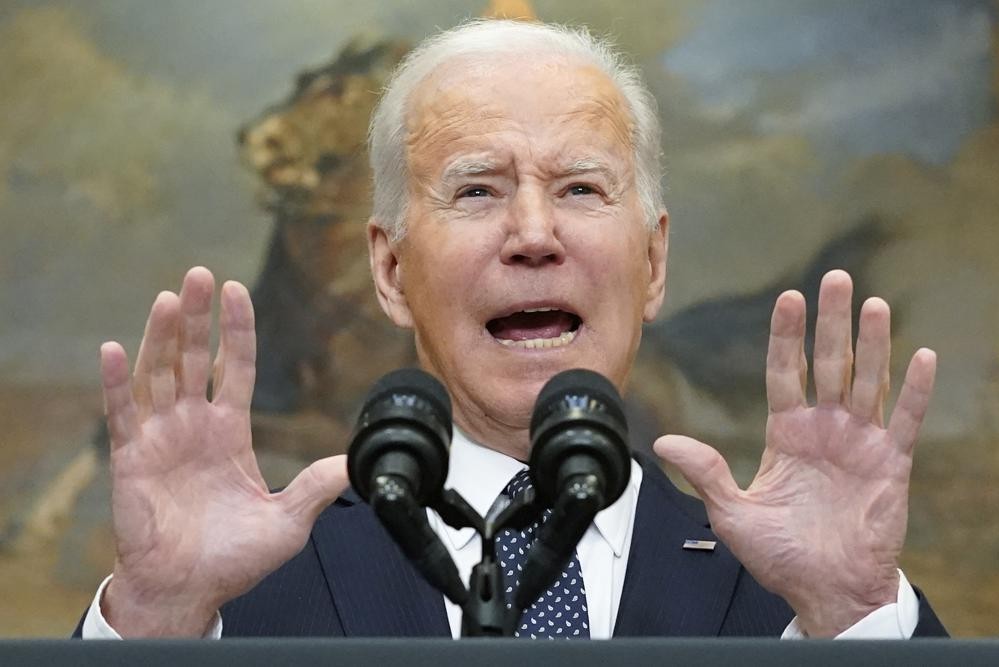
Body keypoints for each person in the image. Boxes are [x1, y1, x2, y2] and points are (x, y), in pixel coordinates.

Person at [79, 19, 945, 639]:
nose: (534, 235)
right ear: (390, 270)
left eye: (579, 188)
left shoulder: (787, 588)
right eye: (477, 189)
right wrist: (156, 621)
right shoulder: (244, 589)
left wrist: (855, 615)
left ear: (654, 261)